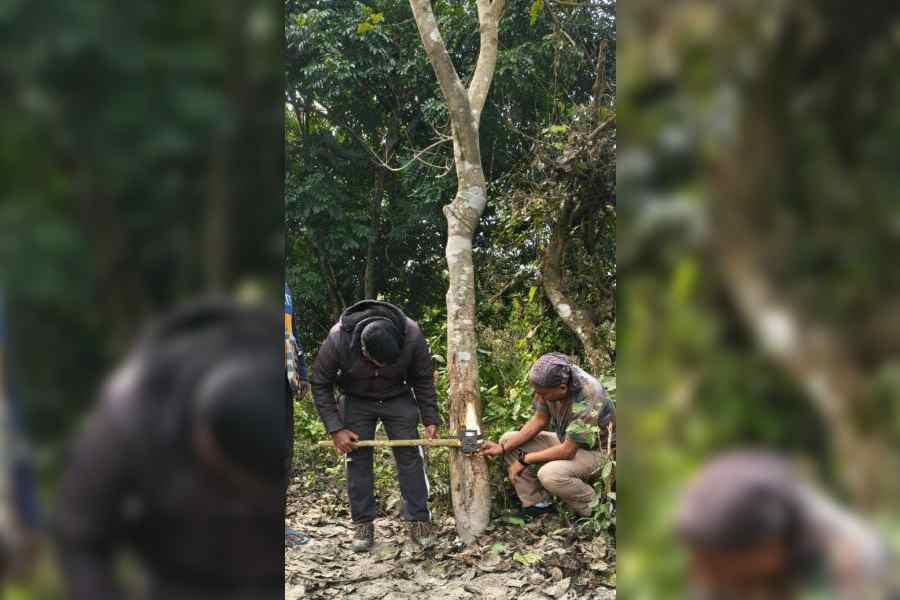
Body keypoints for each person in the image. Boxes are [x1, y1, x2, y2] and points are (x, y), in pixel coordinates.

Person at [56, 301, 288, 600]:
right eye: (235, 480)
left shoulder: (276, 379)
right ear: (203, 437)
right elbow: (81, 538)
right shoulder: (130, 413)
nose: (243, 495)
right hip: (179, 577)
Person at [675, 451, 900, 600]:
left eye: (715, 562)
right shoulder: (714, 555)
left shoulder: (856, 558)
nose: (703, 573)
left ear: (768, 547)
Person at [311, 300, 440, 552]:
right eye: (376, 361)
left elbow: (423, 378)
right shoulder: (338, 339)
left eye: (387, 362)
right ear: (362, 346)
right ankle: (363, 523)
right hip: (356, 398)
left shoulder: (412, 334)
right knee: (356, 458)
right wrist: (336, 429)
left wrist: (430, 418)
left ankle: (420, 520)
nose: (380, 367)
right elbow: (320, 382)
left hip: (397, 396)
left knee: (410, 456)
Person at [481, 352, 615, 518]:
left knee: (550, 474)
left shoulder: (589, 395)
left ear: (562, 388)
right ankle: (538, 505)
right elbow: (540, 419)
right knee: (508, 440)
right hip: (568, 441)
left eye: (542, 394)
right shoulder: (549, 383)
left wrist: (524, 459)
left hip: (600, 452)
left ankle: (600, 511)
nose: (538, 396)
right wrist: (501, 448)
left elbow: (567, 451)